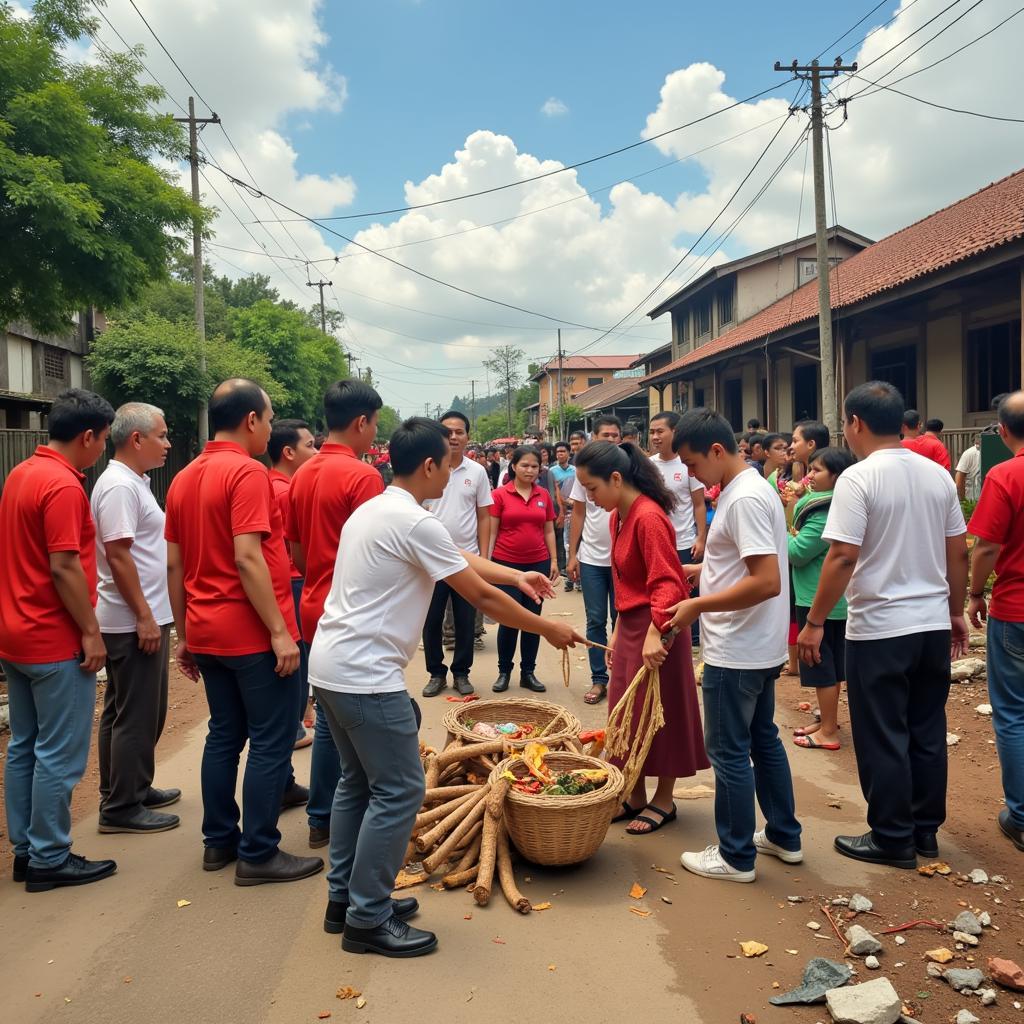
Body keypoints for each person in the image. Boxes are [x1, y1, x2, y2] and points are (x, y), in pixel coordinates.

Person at [308, 417, 583, 958]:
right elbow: (477, 596)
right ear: (429, 465)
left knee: (357, 785)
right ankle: (367, 917)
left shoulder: (381, 509)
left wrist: (518, 576)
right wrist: (546, 625)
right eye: (449, 461)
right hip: (366, 676)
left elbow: (461, 564)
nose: (457, 468)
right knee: (400, 790)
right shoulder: (414, 521)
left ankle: (347, 900)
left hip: (333, 667)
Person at [798, 381, 968, 869]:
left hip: (880, 627)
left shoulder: (858, 478)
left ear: (855, 423)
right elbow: (957, 550)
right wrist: (955, 611)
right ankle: (924, 832)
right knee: (926, 728)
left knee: (883, 732)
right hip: (931, 624)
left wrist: (813, 623)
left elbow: (843, 555)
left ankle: (892, 837)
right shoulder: (936, 475)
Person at [166, 379, 323, 885]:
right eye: (270, 417)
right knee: (272, 741)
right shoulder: (246, 473)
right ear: (251, 420)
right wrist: (280, 632)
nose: (272, 426)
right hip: (251, 632)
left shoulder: (185, 476)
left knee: (223, 736)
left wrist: (185, 633)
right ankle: (258, 852)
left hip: (207, 630)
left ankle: (219, 844)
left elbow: (173, 564)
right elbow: (248, 555)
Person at [670, 408, 802, 883]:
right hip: (759, 644)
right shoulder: (749, 490)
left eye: (692, 463)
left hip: (737, 647)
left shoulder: (743, 498)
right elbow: (741, 566)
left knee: (728, 750)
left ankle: (735, 855)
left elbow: (765, 581)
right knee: (763, 739)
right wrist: (697, 573)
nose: (689, 474)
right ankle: (784, 836)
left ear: (718, 451)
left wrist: (697, 607)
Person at [0, 388, 118, 892]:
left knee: (25, 746)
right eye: (104, 441)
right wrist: (91, 633)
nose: (103, 451)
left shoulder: (21, 474)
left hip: (16, 635)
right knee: (58, 754)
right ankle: (50, 856)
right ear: (87, 436)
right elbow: (64, 565)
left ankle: (27, 850)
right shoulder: (64, 487)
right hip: (54, 639)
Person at [575, 441, 709, 835]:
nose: (589, 498)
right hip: (633, 626)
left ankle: (663, 801)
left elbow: (668, 585)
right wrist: (618, 631)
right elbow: (625, 582)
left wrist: (655, 633)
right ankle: (633, 793)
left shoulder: (649, 518)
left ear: (616, 478)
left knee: (660, 714)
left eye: (593, 489)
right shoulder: (619, 514)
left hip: (660, 629)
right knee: (626, 714)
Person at [287, 379, 384, 849]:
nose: (374, 434)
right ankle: (347, 810)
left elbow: (297, 552)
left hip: (312, 603)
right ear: (362, 422)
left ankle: (321, 817)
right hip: (353, 613)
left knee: (327, 719)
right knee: (356, 722)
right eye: (375, 424)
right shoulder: (363, 477)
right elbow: (377, 556)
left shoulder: (302, 473)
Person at [91, 402, 180, 835]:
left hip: (134, 615)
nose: (167, 444)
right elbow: (118, 555)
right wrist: (144, 616)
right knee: (137, 713)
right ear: (137, 439)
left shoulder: (133, 482)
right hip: (131, 620)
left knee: (125, 709)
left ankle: (128, 789)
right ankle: (122, 806)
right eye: (161, 436)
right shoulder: (120, 487)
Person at [967, 391, 1024, 853]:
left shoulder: (1006, 474)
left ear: (1002, 431)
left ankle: (1021, 816)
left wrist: (972, 593)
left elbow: (985, 546)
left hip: (1017, 607)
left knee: (1013, 713)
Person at [421, 410, 493, 697]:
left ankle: (461, 673)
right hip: (430, 560)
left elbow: (484, 516)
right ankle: (435, 673)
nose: (453, 437)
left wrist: (484, 557)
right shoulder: (425, 468)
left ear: (467, 437)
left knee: (465, 621)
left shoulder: (476, 472)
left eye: (459, 432)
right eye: (447, 431)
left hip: (467, 560)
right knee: (431, 620)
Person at [788, 447, 856, 753]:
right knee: (827, 665)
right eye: (810, 469)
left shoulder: (823, 512)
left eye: (817, 471)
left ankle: (828, 730)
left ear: (837, 477)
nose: (809, 476)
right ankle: (826, 720)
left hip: (818, 600)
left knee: (821, 665)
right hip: (829, 599)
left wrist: (785, 532)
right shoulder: (829, 506)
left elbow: (798, 553)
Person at [487, 445, 561, 693]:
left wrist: (553, 560)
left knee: (532, 620)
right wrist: (487, 563)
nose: (530, 470)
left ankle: (528, 672)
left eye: (534, 466)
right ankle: (503, 672)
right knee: (509, 619)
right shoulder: (500, 495)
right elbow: (493, 530)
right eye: (525, 465)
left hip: (538, 564)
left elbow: (549, 529)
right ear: (514, 466)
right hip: (506, 564)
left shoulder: (543, 496)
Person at [268, 419, 317, 751]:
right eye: (310, 445)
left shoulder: (266, 483)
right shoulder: (288, 491)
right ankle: (295, 728)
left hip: (280, 582)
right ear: (288, 452)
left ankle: (296, 722)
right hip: (294, 581)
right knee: (298, 658)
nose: (315, 452)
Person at [568, 414, 622, 704]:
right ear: (595, 438)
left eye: (615, 435)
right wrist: (573, 554)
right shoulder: (585, 471)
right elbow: (578, 513)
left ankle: (623, 677)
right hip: (591, 559)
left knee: (622, 619)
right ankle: (599, 679)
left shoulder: (628, 471)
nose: (611, 439)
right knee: (596, 620)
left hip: (621, 561)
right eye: (606, 435)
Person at [649, 411, 707, 643]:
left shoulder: (687, 463)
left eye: (660, 431)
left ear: (675, 432)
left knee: (686, 590)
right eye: (652, 432)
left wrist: (701, 537)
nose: (655, 437)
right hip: (656, 542)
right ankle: (662, 631)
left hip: (683, 541)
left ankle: (691, 641)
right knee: (660, 591)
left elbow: (699, 504)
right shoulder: (647, 466)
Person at [549, 441, 576, 588]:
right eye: (558, 452)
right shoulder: (552, 471)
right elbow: (553, 493)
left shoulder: (575, 470)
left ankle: (575, 578)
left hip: (574, 511)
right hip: (559, 511)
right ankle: (566, 575)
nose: (560, 454)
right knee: (563, 544)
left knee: (574, 543)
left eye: (563, 451)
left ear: (568, 453)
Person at [787, 420, 830, 498]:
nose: (791, 446)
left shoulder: (825, 474)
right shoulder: (800, 467)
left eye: (795, 441)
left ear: (810, 444)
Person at [955, 437, 981, 502]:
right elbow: (959, 478)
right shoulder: (970, 453)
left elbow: (959, 478)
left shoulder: (969, 453)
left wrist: (963, 500)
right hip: (971, 498)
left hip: (972, 498)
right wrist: (963, 500)